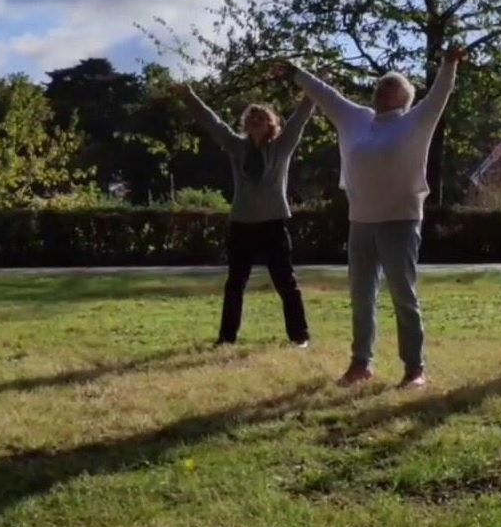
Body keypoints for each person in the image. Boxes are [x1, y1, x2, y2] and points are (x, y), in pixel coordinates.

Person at [275, 44, 465, 389]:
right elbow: (326, 95)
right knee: (361, 297)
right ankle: (360, 364)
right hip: (360, 222)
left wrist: (448, 63)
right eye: (379, 84)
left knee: (402, 296)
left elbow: (440, 93)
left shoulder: (415, 123)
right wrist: (296, 73)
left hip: (401, 222)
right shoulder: (356, 118)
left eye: (389, 85)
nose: (381, 87)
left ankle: (415, 370)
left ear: (404, 98)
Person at [172, 82, 316, 346]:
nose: (257, 120)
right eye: (252, 116)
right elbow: (212, 122)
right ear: (246, 124)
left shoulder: (282, 146)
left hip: (273, 224)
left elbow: (300, 117)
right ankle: (226, 338)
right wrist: (189, 96)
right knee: (235, 284)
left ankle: (300, 337)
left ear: (271, 124)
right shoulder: (235, 145)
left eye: (262, 117)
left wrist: (314, 86)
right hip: (241, 225)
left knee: (286, 283)